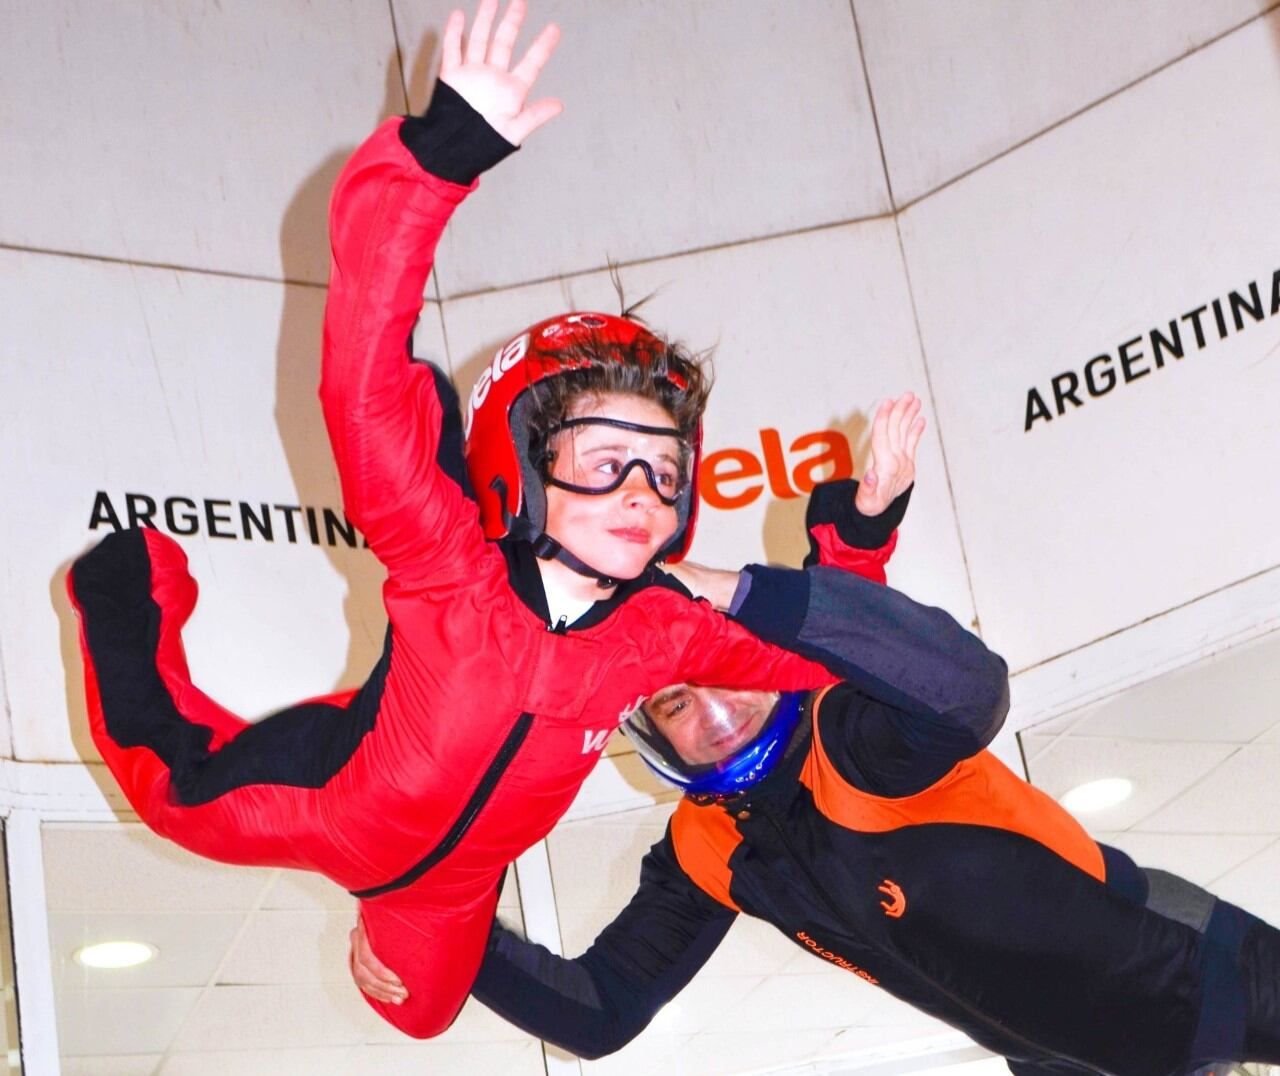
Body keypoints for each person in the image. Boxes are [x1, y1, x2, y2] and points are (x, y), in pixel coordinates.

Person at [65, 0, 921, 1040]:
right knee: (171, 795)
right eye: (607, 463)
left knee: (421, 1017)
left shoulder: (665, 633)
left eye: (661, 470)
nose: (642, 492)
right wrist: (438, 157)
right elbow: (364, 383)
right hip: (331, 798)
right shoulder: (443, 559)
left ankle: (388, 918)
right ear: (521, 473)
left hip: (445, 890)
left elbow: (837, 648)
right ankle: (120, 583)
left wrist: (861, 528)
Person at [351, 557, 1280, 1072]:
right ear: (649, 732)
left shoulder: (857, 732)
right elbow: (601, 1011)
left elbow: (971, 690)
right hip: (1055, 1062)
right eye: (677, 706)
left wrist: (729, 594)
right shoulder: (704, 849)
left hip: (1195, 968)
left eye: (720, 682)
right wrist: (438, 918)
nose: (715, 718)